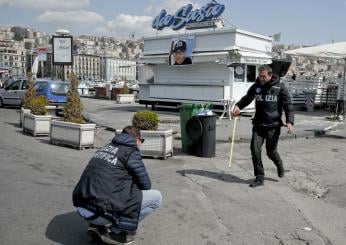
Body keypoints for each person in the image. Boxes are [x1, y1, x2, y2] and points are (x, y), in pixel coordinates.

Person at [72, 126, 162, 244]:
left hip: (81, 206)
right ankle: (116, 232)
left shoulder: (105, 148)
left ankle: (96, 227)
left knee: (105, 188)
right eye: (141, 141)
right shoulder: (131, 152)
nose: (140, 145)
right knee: (157, 197)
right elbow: (146, 185)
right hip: (97, 212)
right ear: (137, 140)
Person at [232, 65, 294, 188]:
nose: (261, 78)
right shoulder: (256, 86)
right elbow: (247, 98)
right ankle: (259, 177)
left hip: (273, 125)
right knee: (255, 151)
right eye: (260, 76)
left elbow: (288, 105)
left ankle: (279, 164)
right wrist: (238, 106)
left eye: (263, 76)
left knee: (271, 152)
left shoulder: (280, 87)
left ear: (270, 75)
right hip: (258, 124)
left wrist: (289, 121)